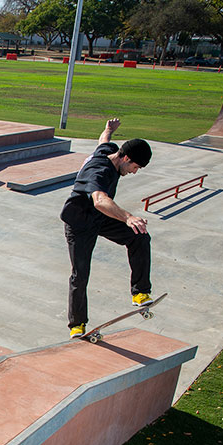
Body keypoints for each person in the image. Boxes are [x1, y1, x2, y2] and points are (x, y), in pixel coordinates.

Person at [61, 118, 154, 338]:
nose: (134, 172)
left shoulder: (109, 151)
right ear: (127, 158)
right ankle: (77, 324)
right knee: (80, 274)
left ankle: (140, 292)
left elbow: (103, 140)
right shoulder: (98, 171)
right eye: (134, 167)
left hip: (99, 218)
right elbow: (100, 200)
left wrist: (108, 129)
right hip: (80, 223)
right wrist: (128, 216)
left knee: (139, 236)